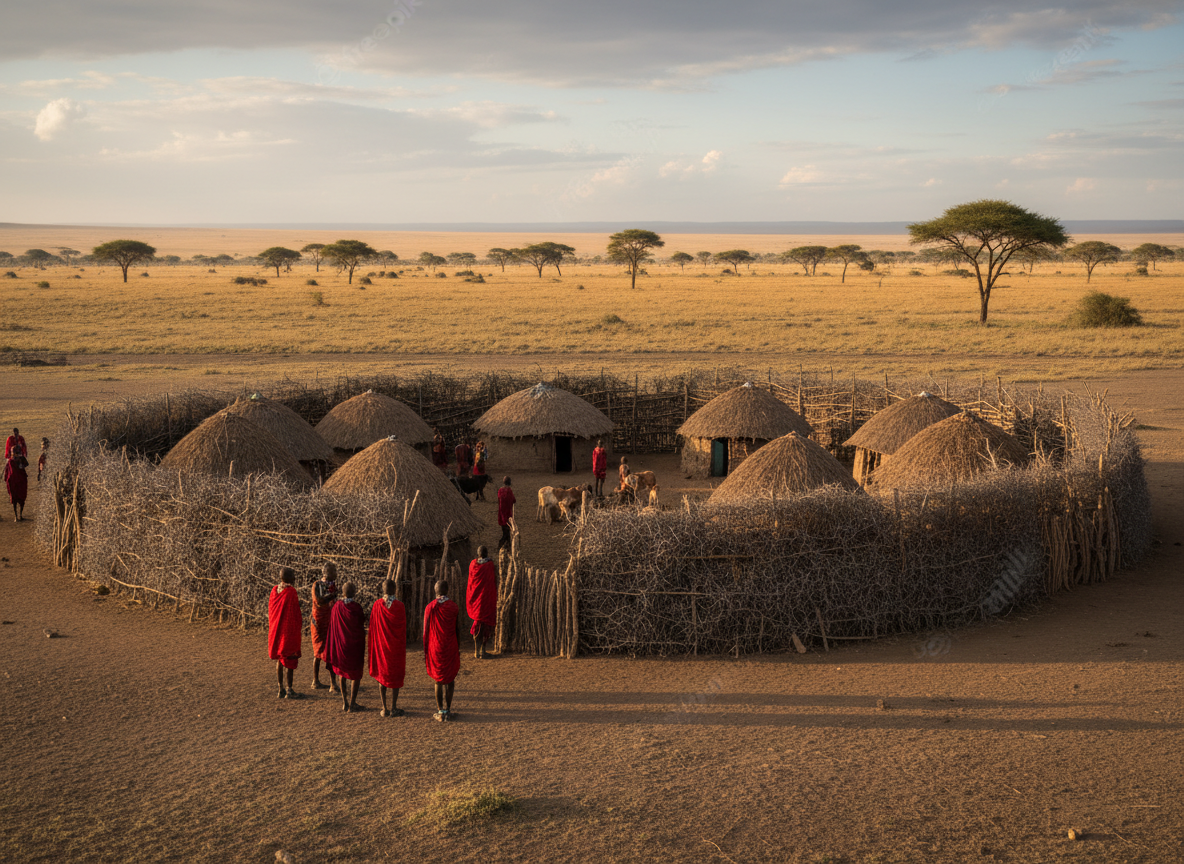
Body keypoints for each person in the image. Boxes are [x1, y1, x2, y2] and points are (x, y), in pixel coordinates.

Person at [326, 581, 367, 712]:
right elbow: (361, 622)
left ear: (342, 592)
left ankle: (345, 702)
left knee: (342, 672)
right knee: (356, 674)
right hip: (354, 645)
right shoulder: (356, 608)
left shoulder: (337, 606)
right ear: (354, 593)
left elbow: (333, 624)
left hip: (341, 644)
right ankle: (352, 703)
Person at [368, 578, 407, 717]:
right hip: (395, 647)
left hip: (382, 646)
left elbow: (372, 627)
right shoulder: (400, 606)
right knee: (395, 675)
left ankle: (384, 708)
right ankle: (394, 707)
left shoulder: (377, 605)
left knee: (382, 674)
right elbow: (403, 629)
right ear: (395, 590)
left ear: (383, 590)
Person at [423, 579, 460, 721]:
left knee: (438, 679)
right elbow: (457, 630)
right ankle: (448, 710)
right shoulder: (453, 607)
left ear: (436, 591)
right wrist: (459, 648)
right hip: (450, 646)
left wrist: (426, 648)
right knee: (450, 679)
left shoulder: (429, 607)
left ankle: (440, 710)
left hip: (435, 647)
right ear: (447, 590)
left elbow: (426, 631)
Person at [267, 567, 303, 699]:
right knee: (289, 660)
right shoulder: (291, 592)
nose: (294, 577)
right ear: (289, 578)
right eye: (293, 575)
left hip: (276, 630)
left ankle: (280, 688)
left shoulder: (274, 590)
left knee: (280, 660)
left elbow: (272, 611)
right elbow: (294, 612)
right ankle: (289, 689)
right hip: (288, 631)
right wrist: (298, 624)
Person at [309, 562, 339, 692]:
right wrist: (333, 595)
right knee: (321, 652)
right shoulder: (317, 585)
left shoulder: (331, 585)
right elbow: (319, 600)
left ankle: (330, 682)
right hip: (319, 622)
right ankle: (323, 682)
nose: (336, 574)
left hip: (329, 620)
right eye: (334, 571)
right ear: (327, 573)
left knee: (328, 651)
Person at [466, 546, 498, 659]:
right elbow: (492, 580)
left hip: (476, 601)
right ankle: (483, 651)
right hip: (485, 600)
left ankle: (476, 651)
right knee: (485, 627)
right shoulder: (489, 565)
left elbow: (471, 582)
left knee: (478, 625)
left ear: (478, 554)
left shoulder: (473, 564)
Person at [4, 449, 28, 523]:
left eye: (17, 453)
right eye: (14, 453)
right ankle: (16, 516)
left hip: (21, 481)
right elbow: (7, 471)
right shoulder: (10, 461)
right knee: (14, 499)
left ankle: (20, 515)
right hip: (13, 482)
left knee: (22, 498)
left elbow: (26, 464)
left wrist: (21, 460)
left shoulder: (22, 459)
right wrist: (6, 479)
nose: (15, 454)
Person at [496, 476, 515, 551]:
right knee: (506, 533)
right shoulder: (509, 491)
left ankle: (508, 547)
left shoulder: (500, 490)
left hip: (501, 514)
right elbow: (513, 500)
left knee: (505, 532)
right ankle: (501, 546)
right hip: (508, 515)